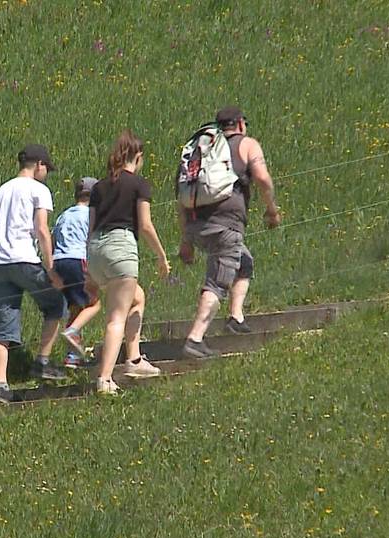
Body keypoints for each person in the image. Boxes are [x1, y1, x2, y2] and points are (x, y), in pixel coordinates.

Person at [178, 105, 281, 359]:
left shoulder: (202, 150)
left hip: (197, 225)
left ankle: (235, 317)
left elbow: (180, 197)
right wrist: (271, 210)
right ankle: (195, 338)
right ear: (241, 124)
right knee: (217, 281)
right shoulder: (247, 144)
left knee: (243, 262)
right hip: (226, 224)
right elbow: (263, 178)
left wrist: (186, 241)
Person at [86, 130, 170, 395]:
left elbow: (90, 226)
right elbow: (144, 225)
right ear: (139, 156)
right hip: (121, 247)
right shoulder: (138, 184)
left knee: (137, 297)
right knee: (115, 318)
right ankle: (105, 378)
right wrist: (161, 256)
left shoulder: (99, 186)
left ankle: (134, 358)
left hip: (96, 249)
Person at [0, 144, 68, 403]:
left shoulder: (0, 192)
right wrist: (51, 267)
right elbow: (42, 230)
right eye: (47, 168)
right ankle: (42, 361)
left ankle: (1, 385)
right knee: (56, 304)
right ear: (39, 165)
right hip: (24, 260)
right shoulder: (38, 190)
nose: (47, 173)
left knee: (3, 328)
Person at [52, 177, 103, 368]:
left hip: (59, 261)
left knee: (75, 307)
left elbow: (53, 238)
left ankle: (72, 357)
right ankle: (72, 331)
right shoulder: (91, 215)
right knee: (93, 303)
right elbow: (93, 241)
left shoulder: (64, 215)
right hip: (78, 259)